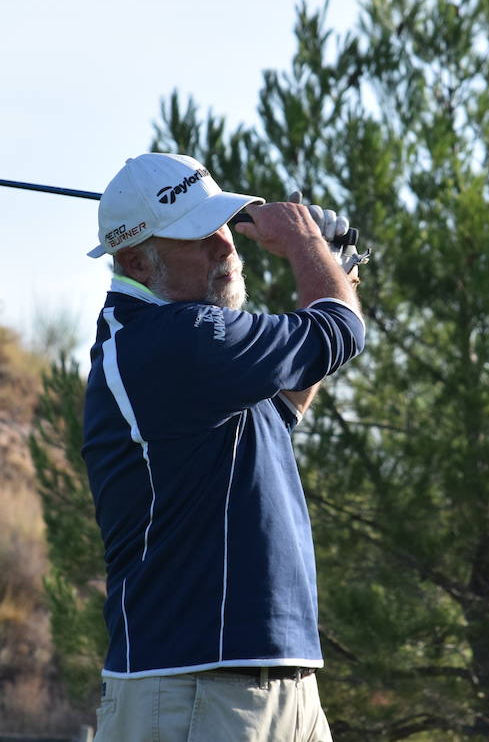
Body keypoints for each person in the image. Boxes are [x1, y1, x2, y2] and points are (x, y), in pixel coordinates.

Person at [81, 153, 366, 741]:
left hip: (277, 689)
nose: (224, 247)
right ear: (136, 261)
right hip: (192, 689)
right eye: (197, 236)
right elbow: (338, 330)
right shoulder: (169, 341)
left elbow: (282, 408)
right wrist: (305, 247)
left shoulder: (195, 351)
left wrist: (333, 269)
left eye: (220, 226)